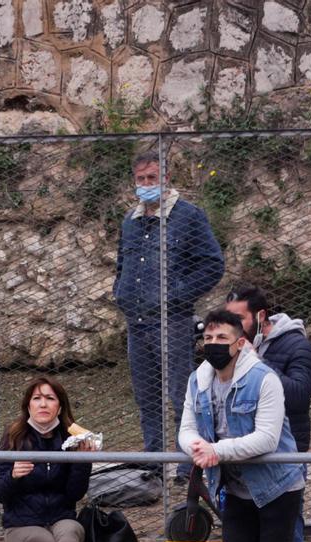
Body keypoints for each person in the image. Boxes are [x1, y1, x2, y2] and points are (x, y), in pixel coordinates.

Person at [180, 309, 306, 542]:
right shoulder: (197, 381)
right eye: (209, 339)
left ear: (240, 343)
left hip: (277, 490)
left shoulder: (264, 379)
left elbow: (267, 438)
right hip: (232, 490)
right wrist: (197, 447)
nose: (214, 346)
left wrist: (219, 450)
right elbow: (185, 430)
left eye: (223, 339)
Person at [224, 285, 311, 542]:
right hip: (240, 468)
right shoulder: (226, 349)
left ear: (260, 317)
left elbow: (299, 393)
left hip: (281, 466)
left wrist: (257, 367)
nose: (233, 327)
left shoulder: (293, 345)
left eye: (240, 319)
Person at [114, 151, 225, 471]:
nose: (146, 185)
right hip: (136, 322)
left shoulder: (188, 216)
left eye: (152, 178)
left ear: (166, 178)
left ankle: (186, 464)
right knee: (146, 398)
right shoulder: (130, 221)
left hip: (172, 322)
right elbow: (123, 262)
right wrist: (119, 291)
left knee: (181, 395)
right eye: (141, 179)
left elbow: (212, 264)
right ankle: (153, 462)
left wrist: (174, 296)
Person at [0, 377, 100, 542]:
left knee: (68, 538)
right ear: (28, 407)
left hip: (62, 520)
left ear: (59, 407)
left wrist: (82, 460)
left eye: (50, 398)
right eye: (36, 398)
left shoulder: (70, 439)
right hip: (22, 525)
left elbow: (75, 494)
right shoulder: (13, 438)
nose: (43, 404)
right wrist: (13, 476)